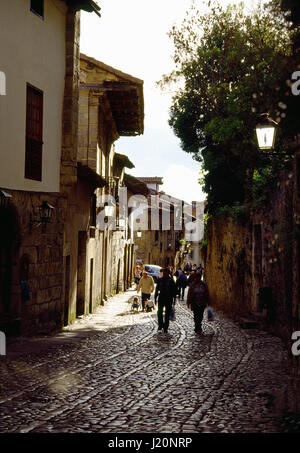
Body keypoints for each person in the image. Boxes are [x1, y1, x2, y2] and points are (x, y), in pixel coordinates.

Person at [186, 268, 210, 334]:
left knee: (200, 316)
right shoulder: (192, 285)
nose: (197, 279)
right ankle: (197, 327)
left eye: (199, 278)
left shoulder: (203, 285)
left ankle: (199, 325)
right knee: (196, 315)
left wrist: (208, 301)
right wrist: (188, 302)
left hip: (202, 303)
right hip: (195, 303)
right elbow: (189, 294)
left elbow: (206, 292)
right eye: (196, 278)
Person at [154, 268, 177, 333]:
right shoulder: (160, 280)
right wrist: (155, 298)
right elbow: (157, 289)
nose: (164, 274)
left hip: (168, 299)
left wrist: (174, 299)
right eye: (164, 273)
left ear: (168, 274)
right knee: (159, 312)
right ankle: (160, 325)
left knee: (167, 314)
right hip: (161, 298)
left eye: (166, 273)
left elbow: (174, 291)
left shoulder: (171, 281)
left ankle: (166, 327)